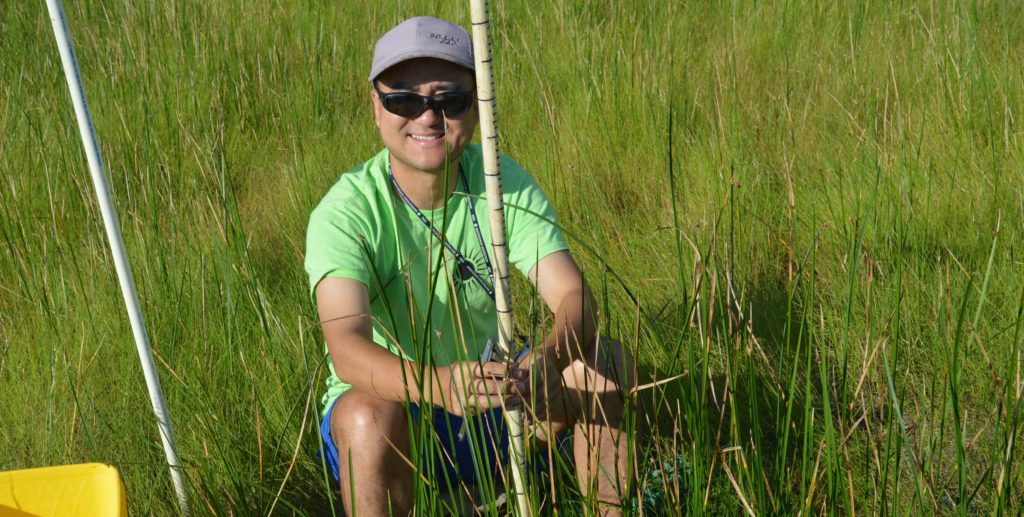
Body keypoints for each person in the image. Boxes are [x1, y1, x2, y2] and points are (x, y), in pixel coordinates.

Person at [305, 16, 634, 516]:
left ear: (477, 106)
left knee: (604, 366)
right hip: (403, 413)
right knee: (365, 417)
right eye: (405, 101)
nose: (428, 117)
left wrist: (548, 356)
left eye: (449, 101)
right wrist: (437, 385)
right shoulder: (346, 211)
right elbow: (347, 350)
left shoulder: (501, 182)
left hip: (494, 396)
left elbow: (574, 298)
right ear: (377, 107)